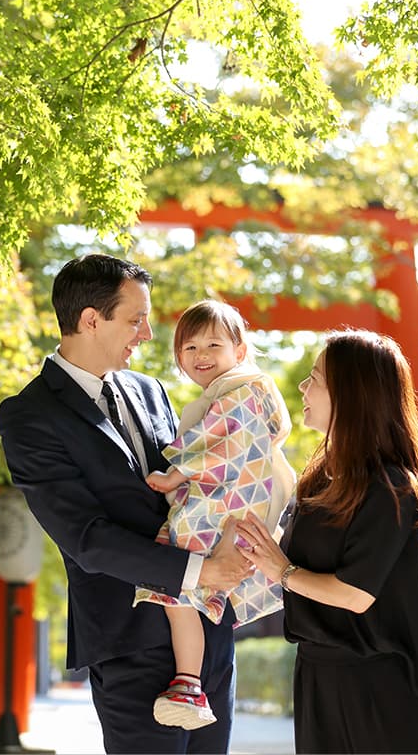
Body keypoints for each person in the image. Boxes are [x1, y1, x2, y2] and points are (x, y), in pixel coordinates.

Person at [0, 254, 252, 755]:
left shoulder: (150, 389)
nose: (149, 334)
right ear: (91, 320)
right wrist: (203, 570)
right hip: (129, 639)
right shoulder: (29, 416)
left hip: (208, 633)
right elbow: (87, 539)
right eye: (136, 319)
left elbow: (197, 484)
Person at [236, 329, 418, 754]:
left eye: (315, 378)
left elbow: (355, 593)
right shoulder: (318, 478)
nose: (302, 387)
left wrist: (283, 570)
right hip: (316, 676)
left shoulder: (391, 486)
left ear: (352, 394)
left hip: (378, 692)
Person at [132, 299, 295, 729]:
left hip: (230, 503)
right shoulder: (237, 392)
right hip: (236, 503)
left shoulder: (241, 393)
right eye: (190, 348)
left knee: (173, 577)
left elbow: (220, 444)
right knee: (184, 591)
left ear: (239, 352)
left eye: (214, 345)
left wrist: (174, 475)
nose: (201, 356)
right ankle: (189, 682)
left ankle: (188, 681)